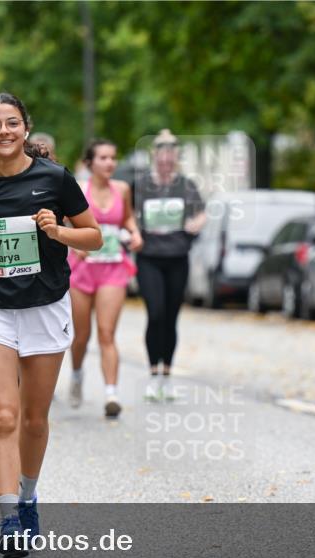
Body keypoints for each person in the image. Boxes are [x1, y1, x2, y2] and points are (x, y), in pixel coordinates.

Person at [0, 92, 100, 558]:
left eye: (12, 123)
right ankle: (9, 517)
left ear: (26, 129)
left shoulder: (55, 179)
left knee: (34, 420)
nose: (4, 132)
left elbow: (93, 236)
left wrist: (57, 233)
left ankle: (29, 495)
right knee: (5, 417)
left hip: (45, 307)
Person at [67, 139, 142, 417]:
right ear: (90, 163)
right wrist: (74, 244)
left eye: (113, 158)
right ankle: (76, 374)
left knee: (107, 333)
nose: (110, 163)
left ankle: (111, 393)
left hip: (112, 267)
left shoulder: (122, 189)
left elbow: (128, 219)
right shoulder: (78, 190)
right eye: (103, 158)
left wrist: (135, 233)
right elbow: (63, 224)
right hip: (82, 270)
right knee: (81, 335)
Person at [132, 129, 206, 401]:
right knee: (156, 313)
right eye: (162, 155)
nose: (166, 161)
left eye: (171, 156)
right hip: (149, 257)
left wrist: (195, 224)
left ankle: (167, 375)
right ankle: (153, 375)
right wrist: (134, 232)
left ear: (175, 158)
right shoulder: (141, 185)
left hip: (177, 257)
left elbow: (201, 214)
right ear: (155, 156)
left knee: (171, 317)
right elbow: (128, 215)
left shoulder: (186, 185)